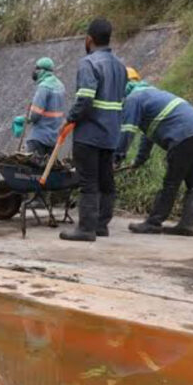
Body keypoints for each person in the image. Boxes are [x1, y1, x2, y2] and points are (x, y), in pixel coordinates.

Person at [116, 69, 193, 237]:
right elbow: (149, 134)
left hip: (183, 135)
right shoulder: (152, 94)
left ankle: (153, 223)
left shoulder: (133, 99)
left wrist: (117, 156)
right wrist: (141, 159)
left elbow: (127, 131)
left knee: (171, 182)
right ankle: (187, 225)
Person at [60, 18, 127, 242]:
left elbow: (85, 99)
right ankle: (101, 226)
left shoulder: (88, 63)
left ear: (89, 39)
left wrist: (70, 119)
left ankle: (86, 229)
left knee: (88, 182)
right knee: (106, 181)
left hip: (89, 135)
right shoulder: (120, 66)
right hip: (111, 134)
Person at [12, 57, 66, 156]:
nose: (34, 71)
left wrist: (22, 119)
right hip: (54, 138)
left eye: (36, 69)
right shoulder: (61, 86)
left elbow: (35, 115)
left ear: (42, 70)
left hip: (39, 137)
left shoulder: (44, 87)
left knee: (30, 169)